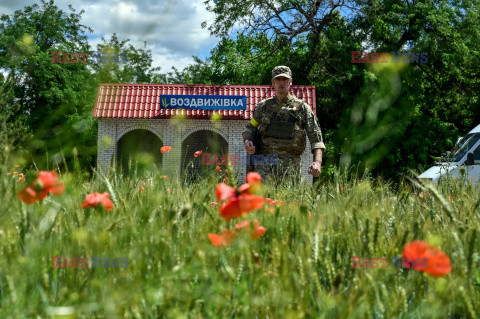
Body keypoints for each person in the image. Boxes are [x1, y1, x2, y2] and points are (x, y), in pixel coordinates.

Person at [242, 65, 326, 182]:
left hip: (290, 168)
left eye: (285, 79)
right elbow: (249, 129)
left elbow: (316, 139)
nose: (281, 83)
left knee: (288, 200)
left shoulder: (302, 108)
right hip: (264, 169)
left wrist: (317, 162)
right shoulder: (263, 106)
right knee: (264, 200)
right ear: (273, 82)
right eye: (278, 79)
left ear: (290, 82)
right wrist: (247, 141)